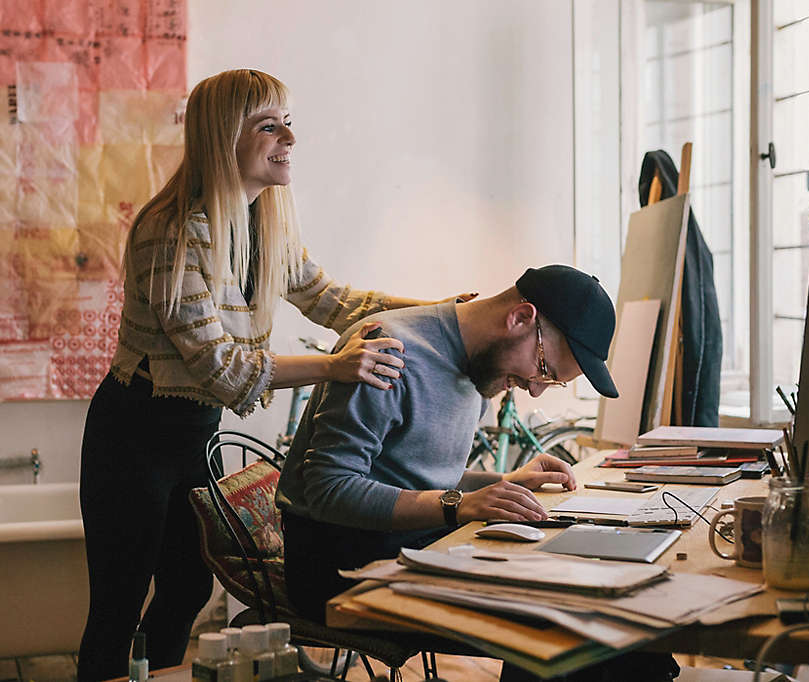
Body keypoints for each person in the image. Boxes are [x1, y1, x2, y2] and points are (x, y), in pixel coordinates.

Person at [76, 69, 471, 681]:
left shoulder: (268, 227)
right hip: (134, 433)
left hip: (194, 435)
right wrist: (333, 366)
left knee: (185, 590)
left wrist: (447, 314)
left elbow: (337, 301)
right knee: (118, 601)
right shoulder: (170, 231)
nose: (289, 137)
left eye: (290, 122)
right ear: (221, 137)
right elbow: (223, 369)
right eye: (269, 125)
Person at [276, 264, 679, 681]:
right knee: (565, 627)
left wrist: (503, 483)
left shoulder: (481, 369)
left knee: (620, 617)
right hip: (338, 564)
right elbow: (329, 488)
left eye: (550, 382)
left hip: (421, 544)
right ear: (521, 319)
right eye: (543, 368)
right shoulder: (388, 349)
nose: (535, 389)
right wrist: (459, 505)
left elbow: (420, 476)